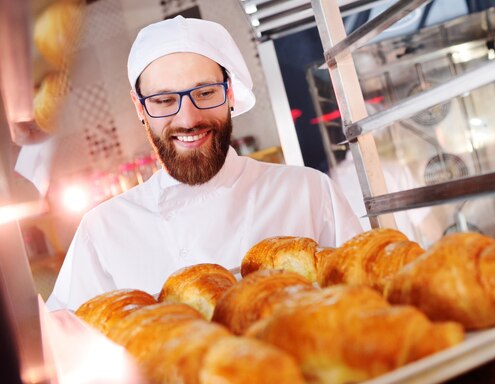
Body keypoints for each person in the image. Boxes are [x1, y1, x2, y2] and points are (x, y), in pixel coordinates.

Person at [46, 16, 362, 311]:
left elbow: (366, 302)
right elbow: (67, 351)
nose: (188, 118)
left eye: (206, 92)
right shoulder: (103, 231)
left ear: (230, 93)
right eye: (164, 100)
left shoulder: (308, 191)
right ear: (139, 108)